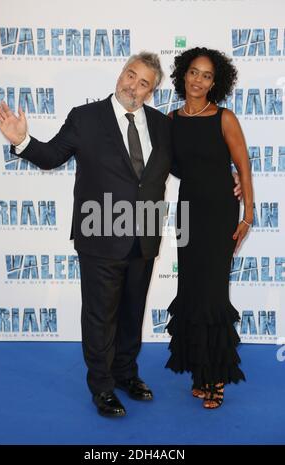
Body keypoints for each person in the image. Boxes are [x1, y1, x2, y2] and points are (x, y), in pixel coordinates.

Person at [0, 51, 241, 418]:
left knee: (131, 314)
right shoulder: (86, 117)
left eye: (144, 83)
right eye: (131, 75)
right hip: (99, 235)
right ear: (120, 74)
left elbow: (188, 164)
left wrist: (227, 178)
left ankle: (126, 374)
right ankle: (102, 386)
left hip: (144, 237)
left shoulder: (161, 125)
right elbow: (52, 155)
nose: (134, 86)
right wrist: (23, 141)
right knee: (99, 316)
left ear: (152, 91)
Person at [166, 47, 253, 409]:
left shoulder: (225, 118)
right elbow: (170, 167)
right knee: (190, 290)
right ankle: (199, 372)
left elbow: (243, 167)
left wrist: (247, 214)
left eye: (206, 75)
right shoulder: (170, 119)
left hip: (219, 213)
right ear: (183, 75)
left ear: (215, 82)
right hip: (187, 212)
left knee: (213, 294)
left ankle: (216, 376)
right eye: (193, 72)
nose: (198, 80)